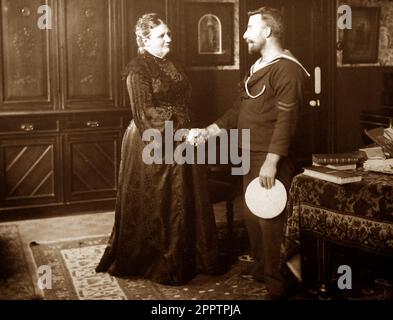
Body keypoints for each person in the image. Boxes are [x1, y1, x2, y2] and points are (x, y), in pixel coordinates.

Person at [96, 13, 221, 285]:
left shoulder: (174, 62)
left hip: (184, 138)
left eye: (168, 33)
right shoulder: (137, 69)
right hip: (152, 139)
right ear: (144, 40)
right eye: (161, 35)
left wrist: (191, 129)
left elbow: (184, 100)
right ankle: (160, 261)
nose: (169, 39)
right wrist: (182, 132)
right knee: (161, 200)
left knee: (187, 197)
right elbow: (145, 114)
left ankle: (193, 257)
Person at [198, 7, 310, 299]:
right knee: (253, 217)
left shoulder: (287, 69)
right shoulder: (260, 65)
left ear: (268, 32)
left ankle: (279, 285)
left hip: (269, 158)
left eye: (250, 28)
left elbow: (287, 122)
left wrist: (272, 162)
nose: (245, 34)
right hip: (249, 153)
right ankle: (264, 268)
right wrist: (210, 130)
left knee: (271, 222)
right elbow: (239, 110)